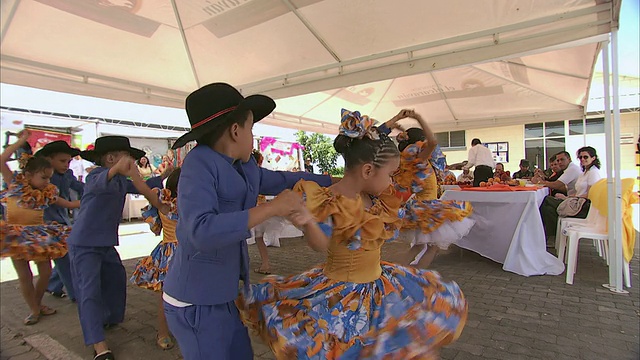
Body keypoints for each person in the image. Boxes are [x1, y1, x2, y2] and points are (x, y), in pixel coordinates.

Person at [236, 108, 467, 359]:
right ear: (368, 171)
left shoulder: (375, 198)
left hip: (378, 285)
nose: (393, 182)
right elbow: (321, 244)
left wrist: (392, 124)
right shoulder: (330, 199)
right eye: (390, 175)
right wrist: (309, 223)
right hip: (341, 295)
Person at [162, 83, 336, 360]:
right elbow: (201, 231)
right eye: (252, 129)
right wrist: (271, 208)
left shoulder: (244, 166)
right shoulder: (198, 164)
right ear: (235, 131)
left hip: (224, 294)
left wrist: (333, 182)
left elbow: (282, 180)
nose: (253, 137)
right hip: (195, 299)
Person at [67, 136, 170, 360]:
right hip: (84, 243)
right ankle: (99, 345)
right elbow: (97, 183)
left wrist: (165, 176)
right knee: (89, 291)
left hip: (105, 244)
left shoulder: (121, 181)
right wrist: (116, 170)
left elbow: (144, 186)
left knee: (115, 278)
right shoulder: (96, 176)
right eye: (128, 157)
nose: (132, 161)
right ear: (111, 158)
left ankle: (109, 318)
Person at [0, 131, 80, 326]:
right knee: (24, 276)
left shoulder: (47, 192)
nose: (47, 182)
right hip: (16, 237)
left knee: (45, 273)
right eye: (44, 178)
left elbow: (68, 204)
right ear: (28, 175)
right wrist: (20, 141)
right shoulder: (14, 184)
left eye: (49, 178)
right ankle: (35, 309)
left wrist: (90, 201)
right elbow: (1, 161)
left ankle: (36, 304)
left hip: (39, 236)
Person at [385, 110, 474, 268]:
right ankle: (413, 275)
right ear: (420, 143)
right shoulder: (419, 158)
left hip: (420, 206)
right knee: (432, 248)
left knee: (419, 246)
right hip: (427, 207)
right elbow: (432, 142)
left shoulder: (409, 159)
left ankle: (397, 272)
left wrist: (401, 129)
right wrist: (418, 117)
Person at [130, 168, 182, 351]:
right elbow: (148, 192)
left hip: (191, 252)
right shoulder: (165, 202)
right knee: (165, 295)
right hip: (170, 254)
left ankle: (182, 329)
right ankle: (163, 332)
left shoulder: (196, 201)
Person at [36, 141, 85, 302]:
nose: (66, 165)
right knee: (66, 258)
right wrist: (73, 204)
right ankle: (76, 294)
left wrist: (95, 189)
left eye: (69, 161)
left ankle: (53, 285)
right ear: (49, 160)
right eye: (62, 161)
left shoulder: (67, 175)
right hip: (46, 223)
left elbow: (79, 186)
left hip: (63, 221)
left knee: (64, 255)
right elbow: (51, 198)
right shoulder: (42, 178)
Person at [540, 147, 602, 242]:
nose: (582, 159)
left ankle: (552, 236)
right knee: (547, 208)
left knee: (546, 200)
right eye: (580, 157)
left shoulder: (593, 173)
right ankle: (554, 237)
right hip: (577, 203)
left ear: (593, 158)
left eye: (586, 157)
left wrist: (567, 198)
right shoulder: (585, 172)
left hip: (583, 207)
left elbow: (590, 195)